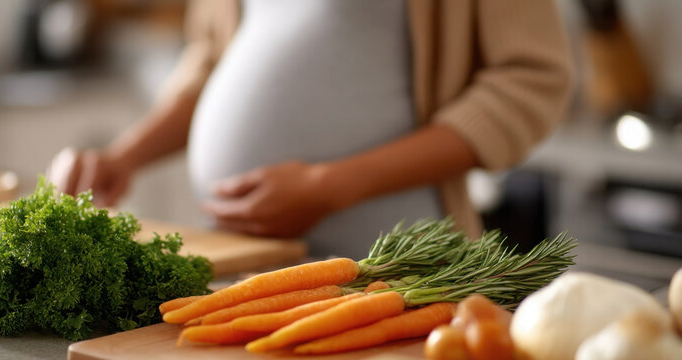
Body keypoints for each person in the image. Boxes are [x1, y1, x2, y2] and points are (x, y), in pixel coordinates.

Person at [49, 0, 572, 258]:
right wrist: (124, 156)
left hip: (396, 273)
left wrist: (335, 184)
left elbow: (531, 79)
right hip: (249, 271)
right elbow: (213, 59)